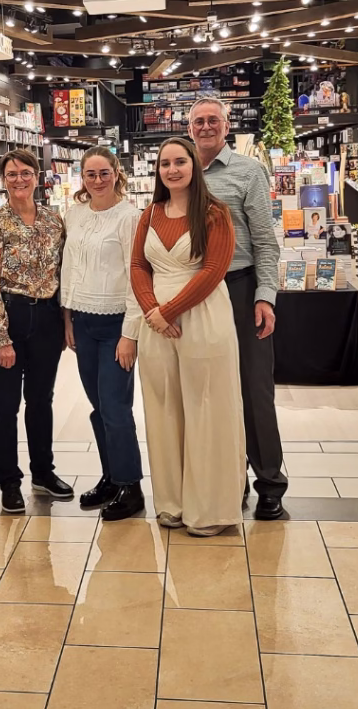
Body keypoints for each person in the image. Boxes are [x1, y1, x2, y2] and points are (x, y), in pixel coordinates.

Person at [131, 138, 245, 536]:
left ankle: (210, 509)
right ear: (157, 170)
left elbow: (214, 269)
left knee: (207, 407)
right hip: (156, 325)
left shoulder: (215, 214)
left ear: (194, 166)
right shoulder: (150, 213)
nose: (172, 169)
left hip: (202, 318)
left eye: (180, 161)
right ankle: (172, 502)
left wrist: (169, 311)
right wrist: (152, 311)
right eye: (165, 163)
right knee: (163, 407)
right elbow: (137, 265)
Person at [187, 97, 287, 520]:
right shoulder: (181, 171)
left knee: (253, 388)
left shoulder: (249, 172)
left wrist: (265, 295)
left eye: (213, 120)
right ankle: (230, 477)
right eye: (198, 121)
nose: (205, 127)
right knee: (209, 390)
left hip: (240, 288)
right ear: (189, 128)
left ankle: (269, 481)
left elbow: (265, 241)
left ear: (227, 126)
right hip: (196, 293)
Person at [0, 148, 72, 515]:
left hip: (45, 319)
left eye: (25, 172)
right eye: (12, 174)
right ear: (4, 179)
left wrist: (65, 321)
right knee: (4, 405)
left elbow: (62, 274)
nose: (19, 179)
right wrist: (1, 339)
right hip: (6, 318)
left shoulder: (52, 220)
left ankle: (43, 472)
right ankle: (9, 482)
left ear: (37, 176)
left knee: (41, 400)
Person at [61, 146, 145, 521]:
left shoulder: (130, 217)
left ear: (116, 173)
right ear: (82, 177)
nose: (97, 181)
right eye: (90, 174)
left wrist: (130, 334)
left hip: (115, 325)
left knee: (116, 408)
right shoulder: (74, 215)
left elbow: (137, 275)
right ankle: (111, 477)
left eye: (103, 173)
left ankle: (131, 487)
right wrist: (67, 319)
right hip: (82, 321)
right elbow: (69, 269)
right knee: (99, 408)